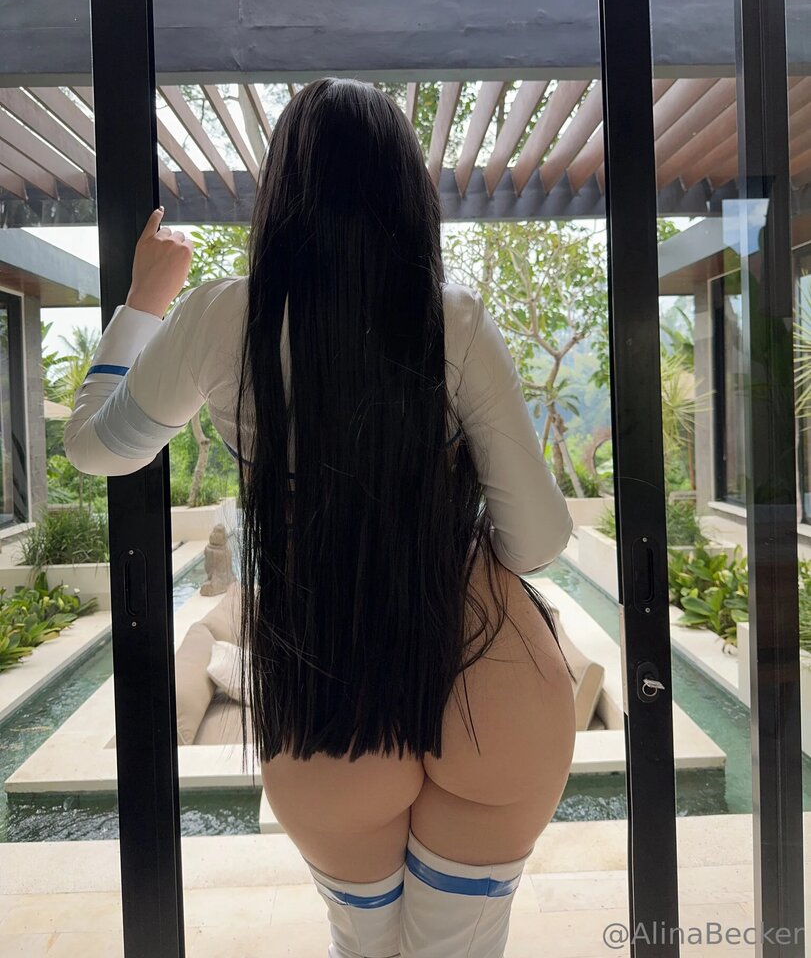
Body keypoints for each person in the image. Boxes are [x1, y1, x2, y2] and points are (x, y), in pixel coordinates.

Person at [64, 77, 577, 958]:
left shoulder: (221, 314)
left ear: (283, 192)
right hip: (492, 675)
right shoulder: (451, 318)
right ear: (406, 192)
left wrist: (145, 300)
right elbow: (536, 541)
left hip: (331, 682)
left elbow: (95, 448)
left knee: (363, 945)